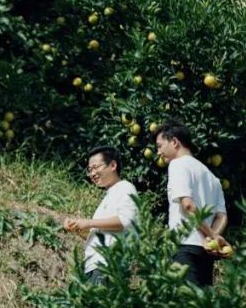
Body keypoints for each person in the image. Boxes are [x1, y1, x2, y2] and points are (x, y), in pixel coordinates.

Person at [154, 122, 230, 286]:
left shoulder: (178, 164)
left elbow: (187, 205)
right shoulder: (212, 177)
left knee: (185, 306)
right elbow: (221, 216)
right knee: (202, 306)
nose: (158, 152)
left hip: (184, 245)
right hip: (205, 250)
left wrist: (211, 234)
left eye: (160, 146)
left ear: (174, 142)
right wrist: (212, 237)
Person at [62, 145, 139, 285]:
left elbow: (125, 222)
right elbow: (103, 231)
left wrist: (89, 222)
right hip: (95, 265)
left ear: (113, 165)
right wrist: (79, 227)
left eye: (96, 167)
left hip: (108, 264)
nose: (92, 173)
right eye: (90, 170)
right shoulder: (109, 195)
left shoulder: (125, 188)